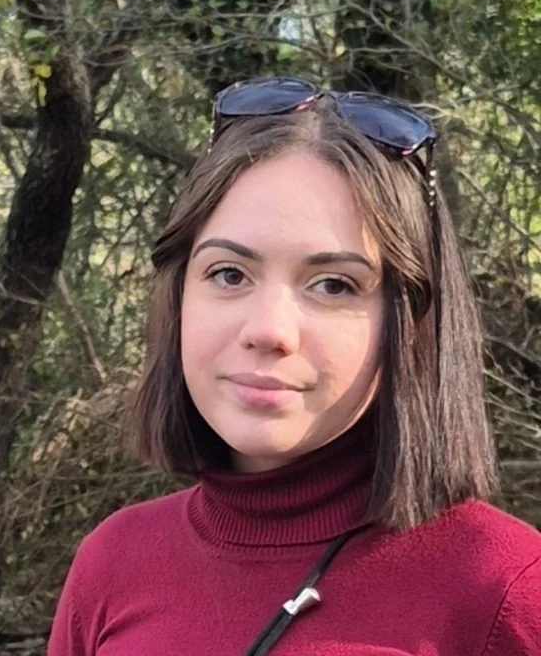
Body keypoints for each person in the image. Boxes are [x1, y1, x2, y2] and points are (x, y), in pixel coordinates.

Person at [47, 77, 541, 656]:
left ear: (409, 324)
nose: (269, 330)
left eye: (333, 285)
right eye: (229, 274)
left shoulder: (505, 589)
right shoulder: (113, 562)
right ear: (179, 295)